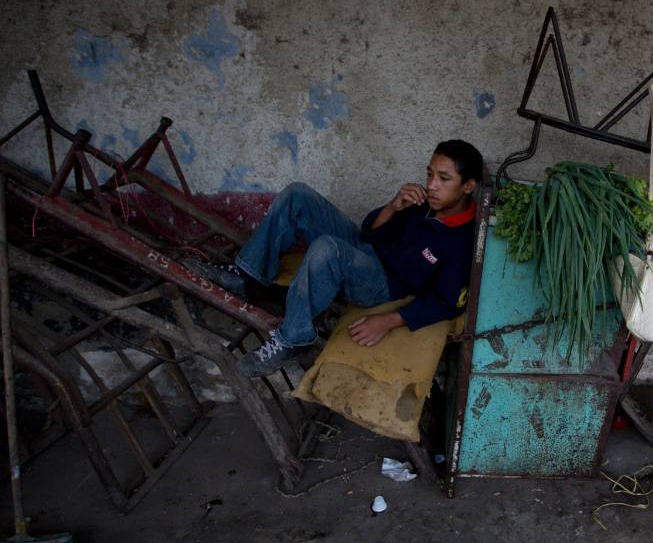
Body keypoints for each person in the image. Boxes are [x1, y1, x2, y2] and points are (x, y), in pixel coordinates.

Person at [189, 140, 483, 378]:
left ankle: (294, 338)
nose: (431, 184)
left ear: (468, 186)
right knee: (297, 195)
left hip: (382, 282)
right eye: (429, 173)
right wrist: (394, 206)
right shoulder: (426, 202)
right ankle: (248, 276)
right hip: (366, 249)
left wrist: (389, 320)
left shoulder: (462, 242)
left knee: (326, 248)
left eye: (444, 178)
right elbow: (371, 233)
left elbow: (447, 303)